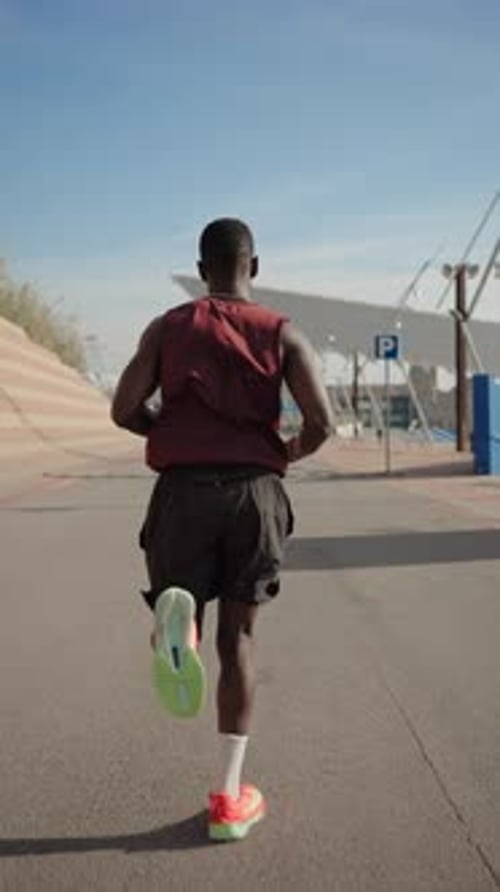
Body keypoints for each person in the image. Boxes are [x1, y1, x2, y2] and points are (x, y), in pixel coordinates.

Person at [111, 218, 333, 840]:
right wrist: (282, 453)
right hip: (253, 495)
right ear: (253, 267)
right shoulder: (283, 333)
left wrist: (163, 429)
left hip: (181, 491)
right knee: (239, 640)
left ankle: (179, 623)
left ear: (202, 268)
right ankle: (230, 800)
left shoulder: (168, 326)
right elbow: (323, 423)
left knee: (181, 599)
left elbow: (123, 407)